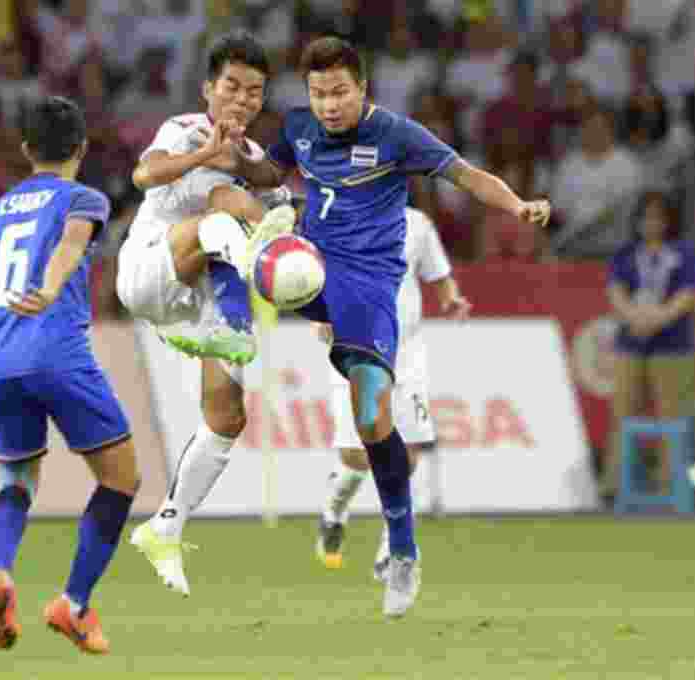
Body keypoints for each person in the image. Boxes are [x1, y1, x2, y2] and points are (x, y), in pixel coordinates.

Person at [215, 36, 551, 618]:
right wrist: (237, 160)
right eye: (318, 94)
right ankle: (229, 327)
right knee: (248, 241)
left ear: (362, 89)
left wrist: (517, 206)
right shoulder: (298, 127)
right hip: (313, 269)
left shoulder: (397, 134)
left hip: (370, 290)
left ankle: (403, 551)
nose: (328, 105)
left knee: (372, 416)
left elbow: (466, 175)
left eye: (339, 92)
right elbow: (268, 171)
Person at [117, 32, 293, 598]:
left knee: (227, 415)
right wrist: (207, 156)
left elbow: (269, 177)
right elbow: (143, 176)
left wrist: (275, 187)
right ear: (208, 89)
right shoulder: (185, 129)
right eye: (232, 87)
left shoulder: (250, 153)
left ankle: (167, 524)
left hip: (189, 301)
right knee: (223, 214)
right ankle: (254, 285)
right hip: (148, 269)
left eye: (254, 92)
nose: (242, 100)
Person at [0, 96, 136, 654]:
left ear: (25, 150)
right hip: (58, 351)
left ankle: (0, 571)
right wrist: (55, 285)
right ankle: (74, 603)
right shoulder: (83, 197)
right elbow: (72, 243)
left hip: (0, 359)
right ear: (81, 149)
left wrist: (10, 313)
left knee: (15, 483)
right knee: (119, 479)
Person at [316, 206, 469, 578]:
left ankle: (390, 551)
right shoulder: (339, 217)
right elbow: (318, 274)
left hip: (408, 352)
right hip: (356, 346)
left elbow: (439, 274)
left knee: (408, 455)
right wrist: (322, 314)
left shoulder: (418, 223)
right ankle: (334, 511)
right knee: (356, 456)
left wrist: (451, 298)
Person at [604, 189, 695, 499]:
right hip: (631, 341)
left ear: (669, 220)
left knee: (673, 414)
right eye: (646, 217)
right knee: (623, 411)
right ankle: (616, 482)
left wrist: (659, 319)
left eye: (658, 217)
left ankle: (671, 481)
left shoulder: (683, 253)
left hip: (672, 342)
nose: (652, 223)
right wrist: (634, 317)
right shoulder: (626, 253)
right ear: (637, 221)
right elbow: (615, 290)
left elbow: (689, 293)